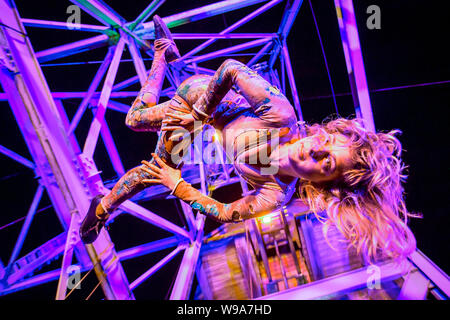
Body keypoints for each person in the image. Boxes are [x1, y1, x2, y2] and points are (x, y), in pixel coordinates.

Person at [80, 16, 416, 262]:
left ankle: (103, 206)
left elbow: (226, 213)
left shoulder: (275, 194)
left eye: (325, 161)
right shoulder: (282, 119)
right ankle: (160, 54)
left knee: (157, 168)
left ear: (326, 186)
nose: (314, 147)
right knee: (134, 120)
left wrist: (177, 185)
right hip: (201, 99)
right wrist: (197, 116)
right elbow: (229, 69)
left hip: (204, 130)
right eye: (326, 141)